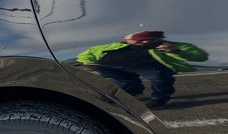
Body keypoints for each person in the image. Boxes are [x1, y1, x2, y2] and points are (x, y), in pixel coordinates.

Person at [77, 31, 208, 108]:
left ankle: (159, 99)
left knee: (160, 77)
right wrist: (91, 62)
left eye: (149, 39)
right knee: (123, 79)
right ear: (128, 40)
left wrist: (175, 51)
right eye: (141, 40)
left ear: (158, 38)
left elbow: (201, 56)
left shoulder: (172, 45)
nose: (145, 42)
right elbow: (86, 54)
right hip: (114, 66)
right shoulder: (114, 45)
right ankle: (134, 92)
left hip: (151, 68)